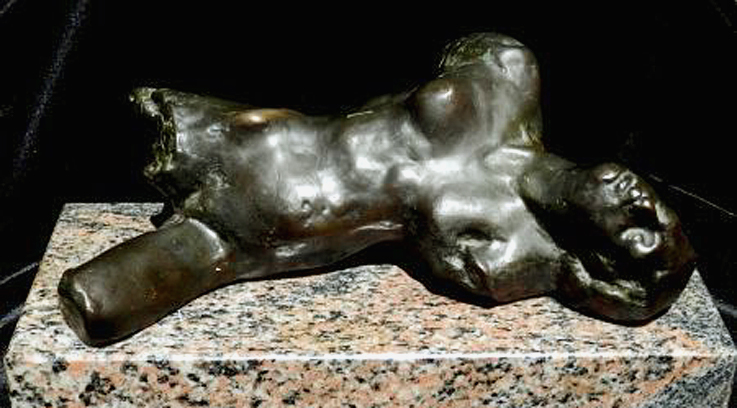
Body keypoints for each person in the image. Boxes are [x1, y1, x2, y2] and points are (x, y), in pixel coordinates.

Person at [58, 33, 695, 346]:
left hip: (267, 227)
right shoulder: (510, 74)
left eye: (641, 240)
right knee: (113, 104)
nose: (646, 208)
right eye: (663, 216)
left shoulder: (512, 245)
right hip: (255, 130)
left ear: (601, 262)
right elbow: (464, 50)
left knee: (95, 303)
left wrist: (562, 274)